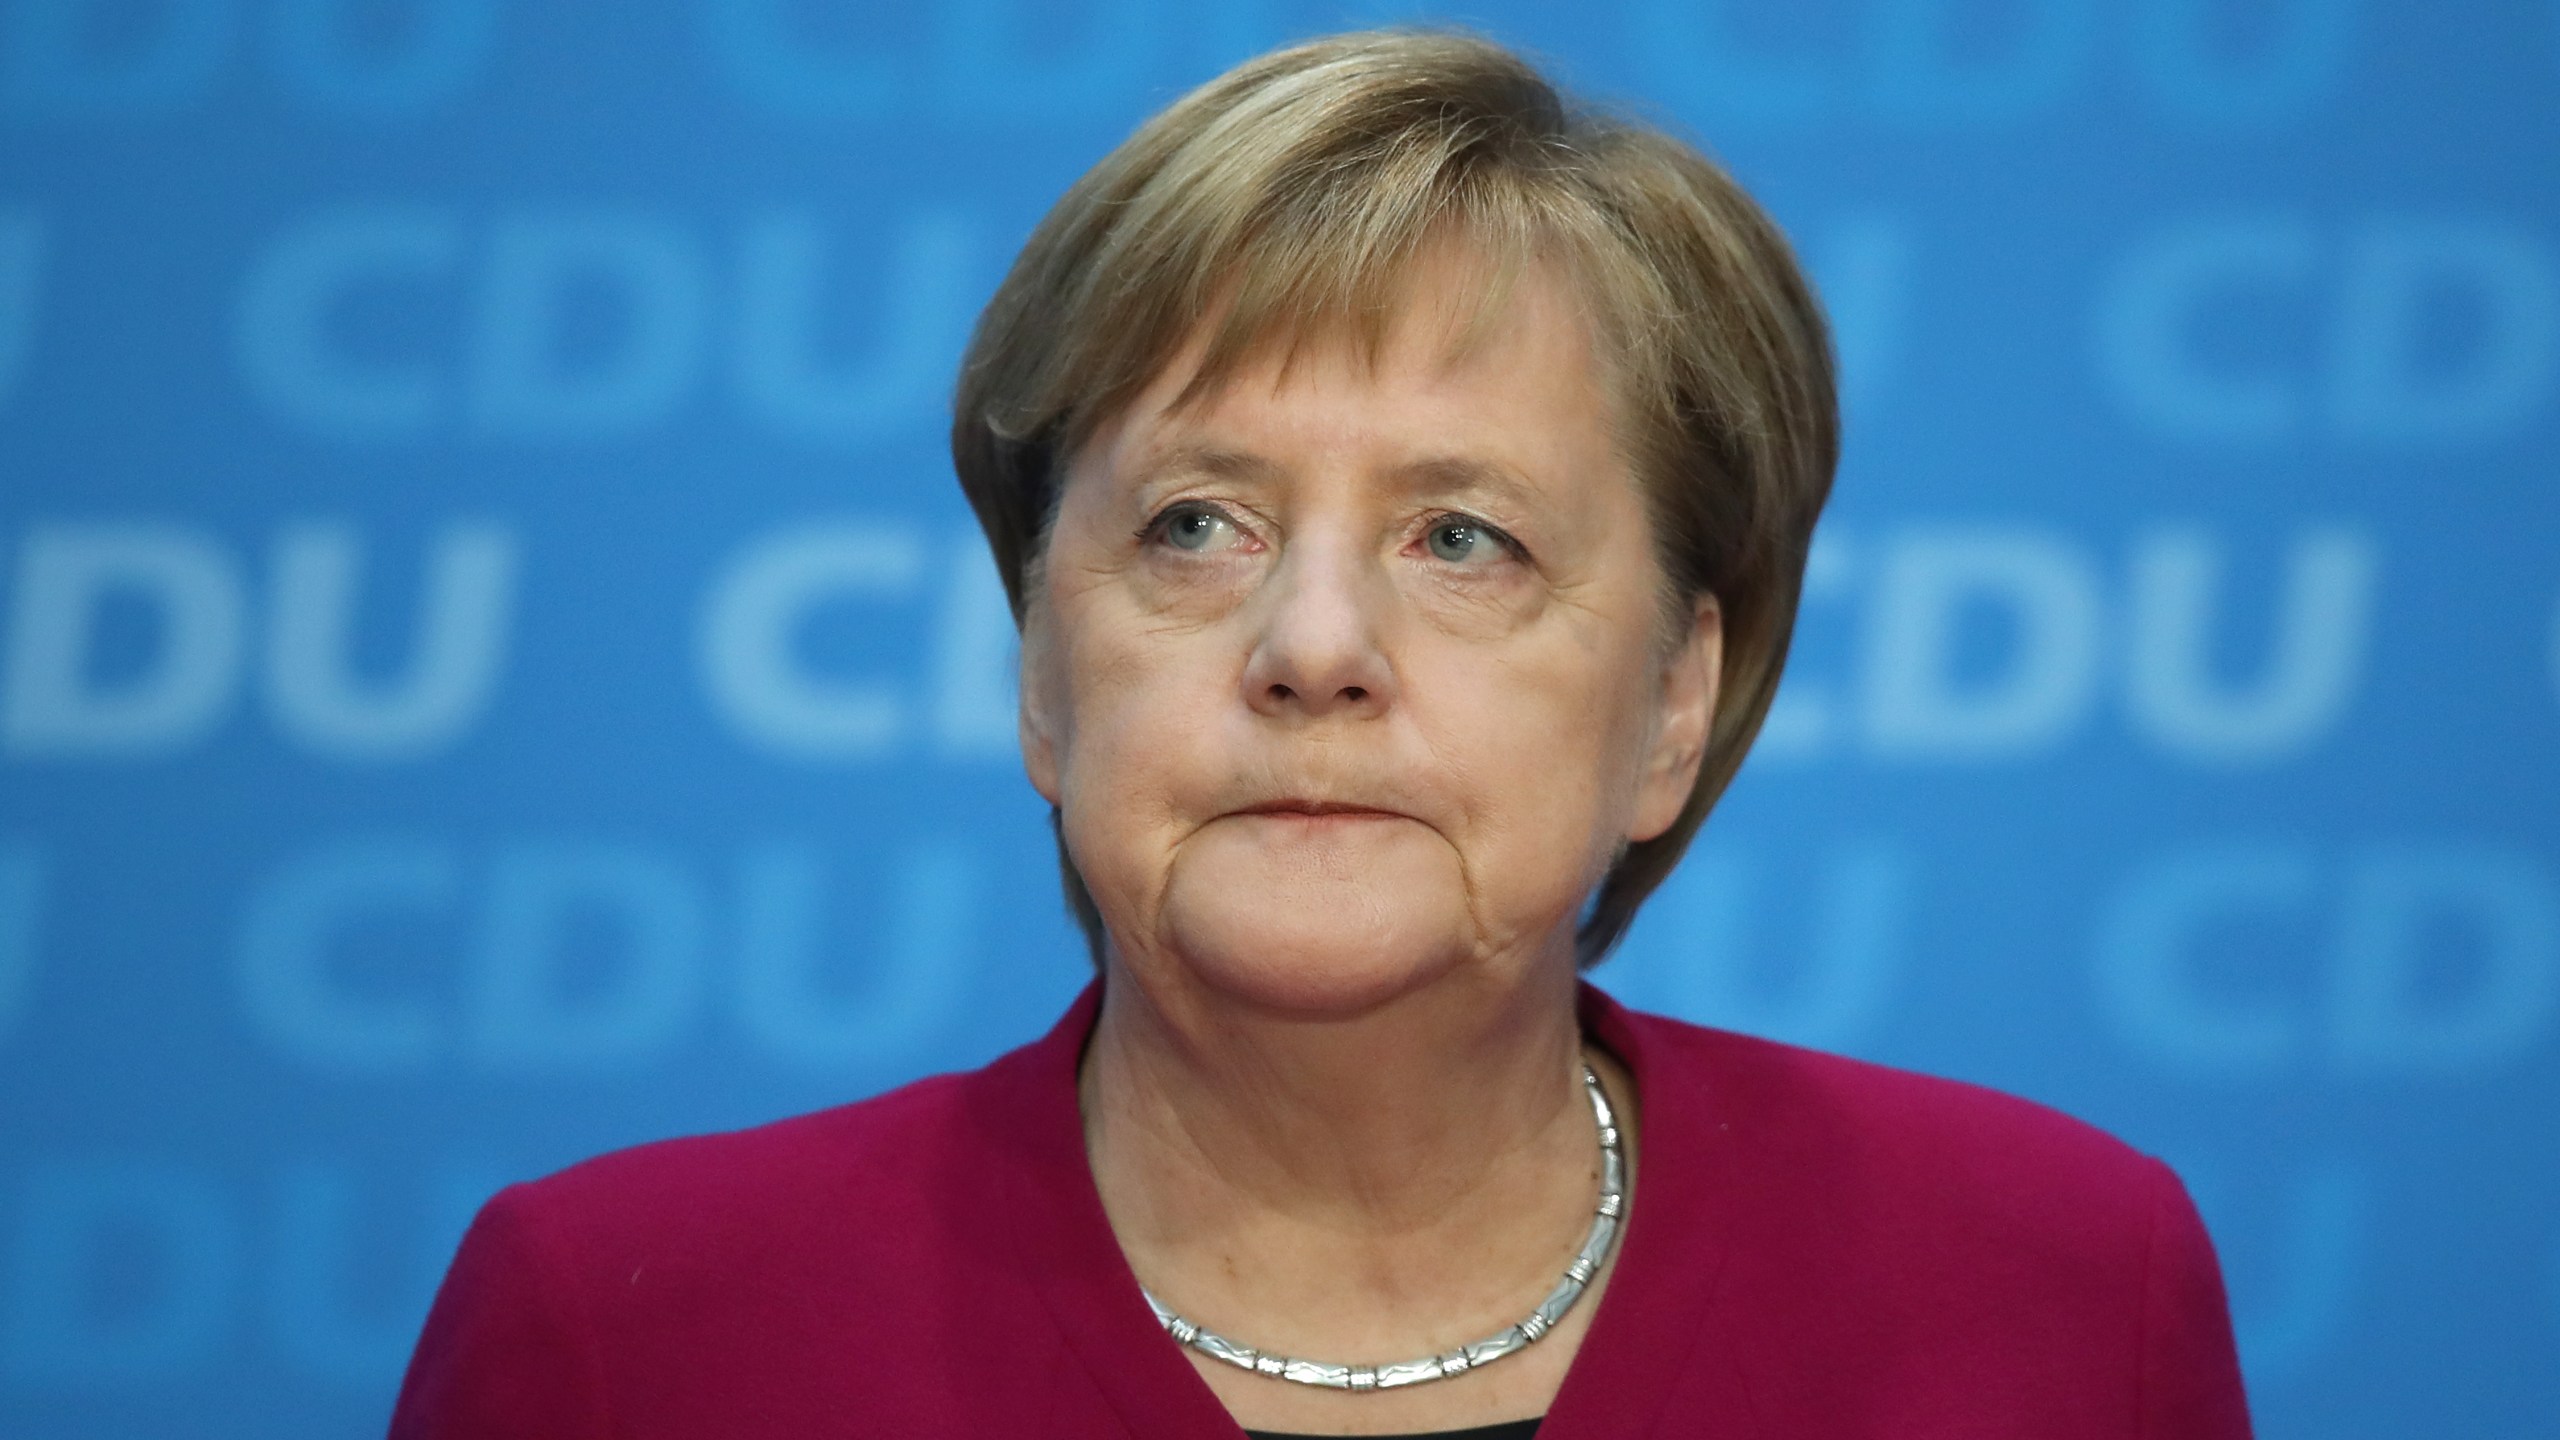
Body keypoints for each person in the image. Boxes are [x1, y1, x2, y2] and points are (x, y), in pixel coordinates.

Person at [389, 29, 2252, 1440]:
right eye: (1197, 525)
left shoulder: (2063, 1294)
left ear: (1674, 704)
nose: (1315, 650)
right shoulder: (632, 1339)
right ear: (1044, 672)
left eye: (1466, 539)